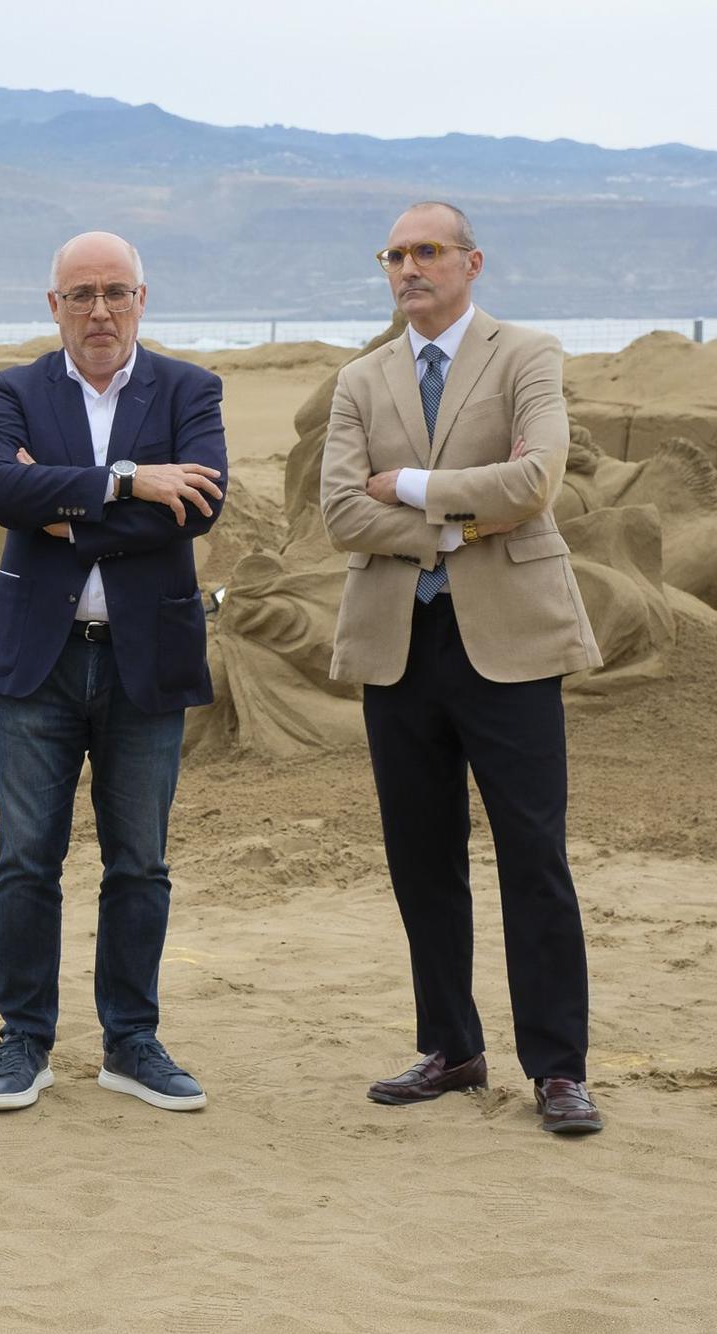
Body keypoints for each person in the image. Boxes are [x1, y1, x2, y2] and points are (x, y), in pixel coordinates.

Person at [320, 201, 604, 1135]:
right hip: (399, 646)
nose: (408, 267)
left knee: (534, 856)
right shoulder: (361, 381)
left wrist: (408, 490)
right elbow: (338, 516)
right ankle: (450, 1047)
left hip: (511, 640)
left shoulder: (527, 355)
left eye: (427, 251)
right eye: (394, 254)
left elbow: (536, 483)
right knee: (421, 856)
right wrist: (464, 519)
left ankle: (558, 1069)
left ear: (472, 262)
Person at [0, 231, 226, 1116]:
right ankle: (24, 1040)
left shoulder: (191, 389)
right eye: (81, 293)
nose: (100, 309)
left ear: (142, 299)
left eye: (116, 291)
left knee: (140, 864)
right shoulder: (17, 388)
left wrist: (68, 507)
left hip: (144, 663)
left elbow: (201, 504)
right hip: (35, 665)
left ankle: (131, 1041)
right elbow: (2, 488)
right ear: (54, 307)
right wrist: (125, 485)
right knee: (25, 862)